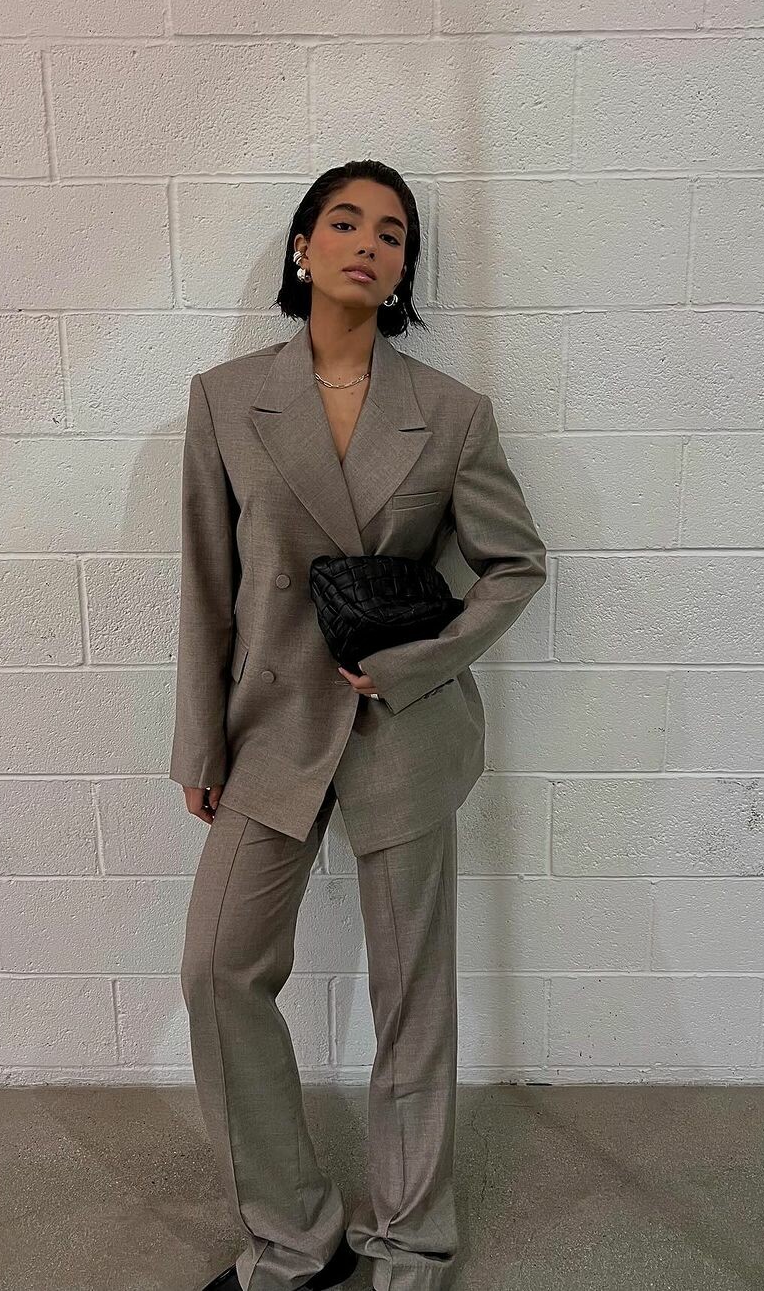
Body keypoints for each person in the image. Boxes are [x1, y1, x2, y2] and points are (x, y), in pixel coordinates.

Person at [171, 159, 548, 1291]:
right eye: (345, 221)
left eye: (392, 233)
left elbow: (514, 564)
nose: (368, 243)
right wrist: (199, 742)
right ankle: (292, 1234)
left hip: (403, 731)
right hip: (272, 726)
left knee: (411, 997)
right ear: (303, 246)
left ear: (403, 271)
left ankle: (410, 1239)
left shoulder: (451, 413)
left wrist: (416, 663)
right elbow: (206, 583)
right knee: (218, 970)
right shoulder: (227, 398)